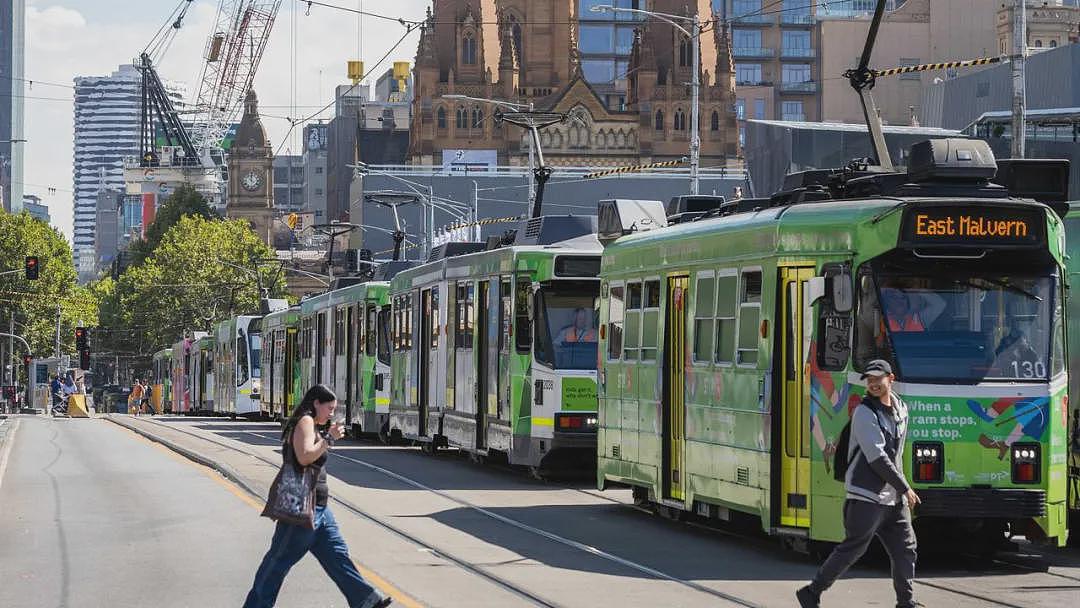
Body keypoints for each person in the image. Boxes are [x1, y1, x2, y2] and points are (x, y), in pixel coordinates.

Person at [243, 384, 392, 608]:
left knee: (337, 555)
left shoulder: (314, 424)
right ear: (316, 404)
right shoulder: (304, 421)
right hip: (302, 506)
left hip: (320, 508)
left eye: (334, 409)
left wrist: (326, 437)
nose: (331, 413)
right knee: (278, 562)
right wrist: (329, 439)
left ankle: (366, 601)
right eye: (329, 408)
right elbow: (304, 457)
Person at [797, 359, 921, 608]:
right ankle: (812, 591)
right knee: (853, 549)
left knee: (906, 548)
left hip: (892, 499)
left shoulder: (901, 410)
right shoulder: (865, 413)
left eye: (878, 378)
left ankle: (906, 603)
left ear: (891, 379)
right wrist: (904, 487)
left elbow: (896, 455)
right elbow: (878, 458)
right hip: (865, 496)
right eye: (870, 380)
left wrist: (900, 488)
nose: (874, 384)